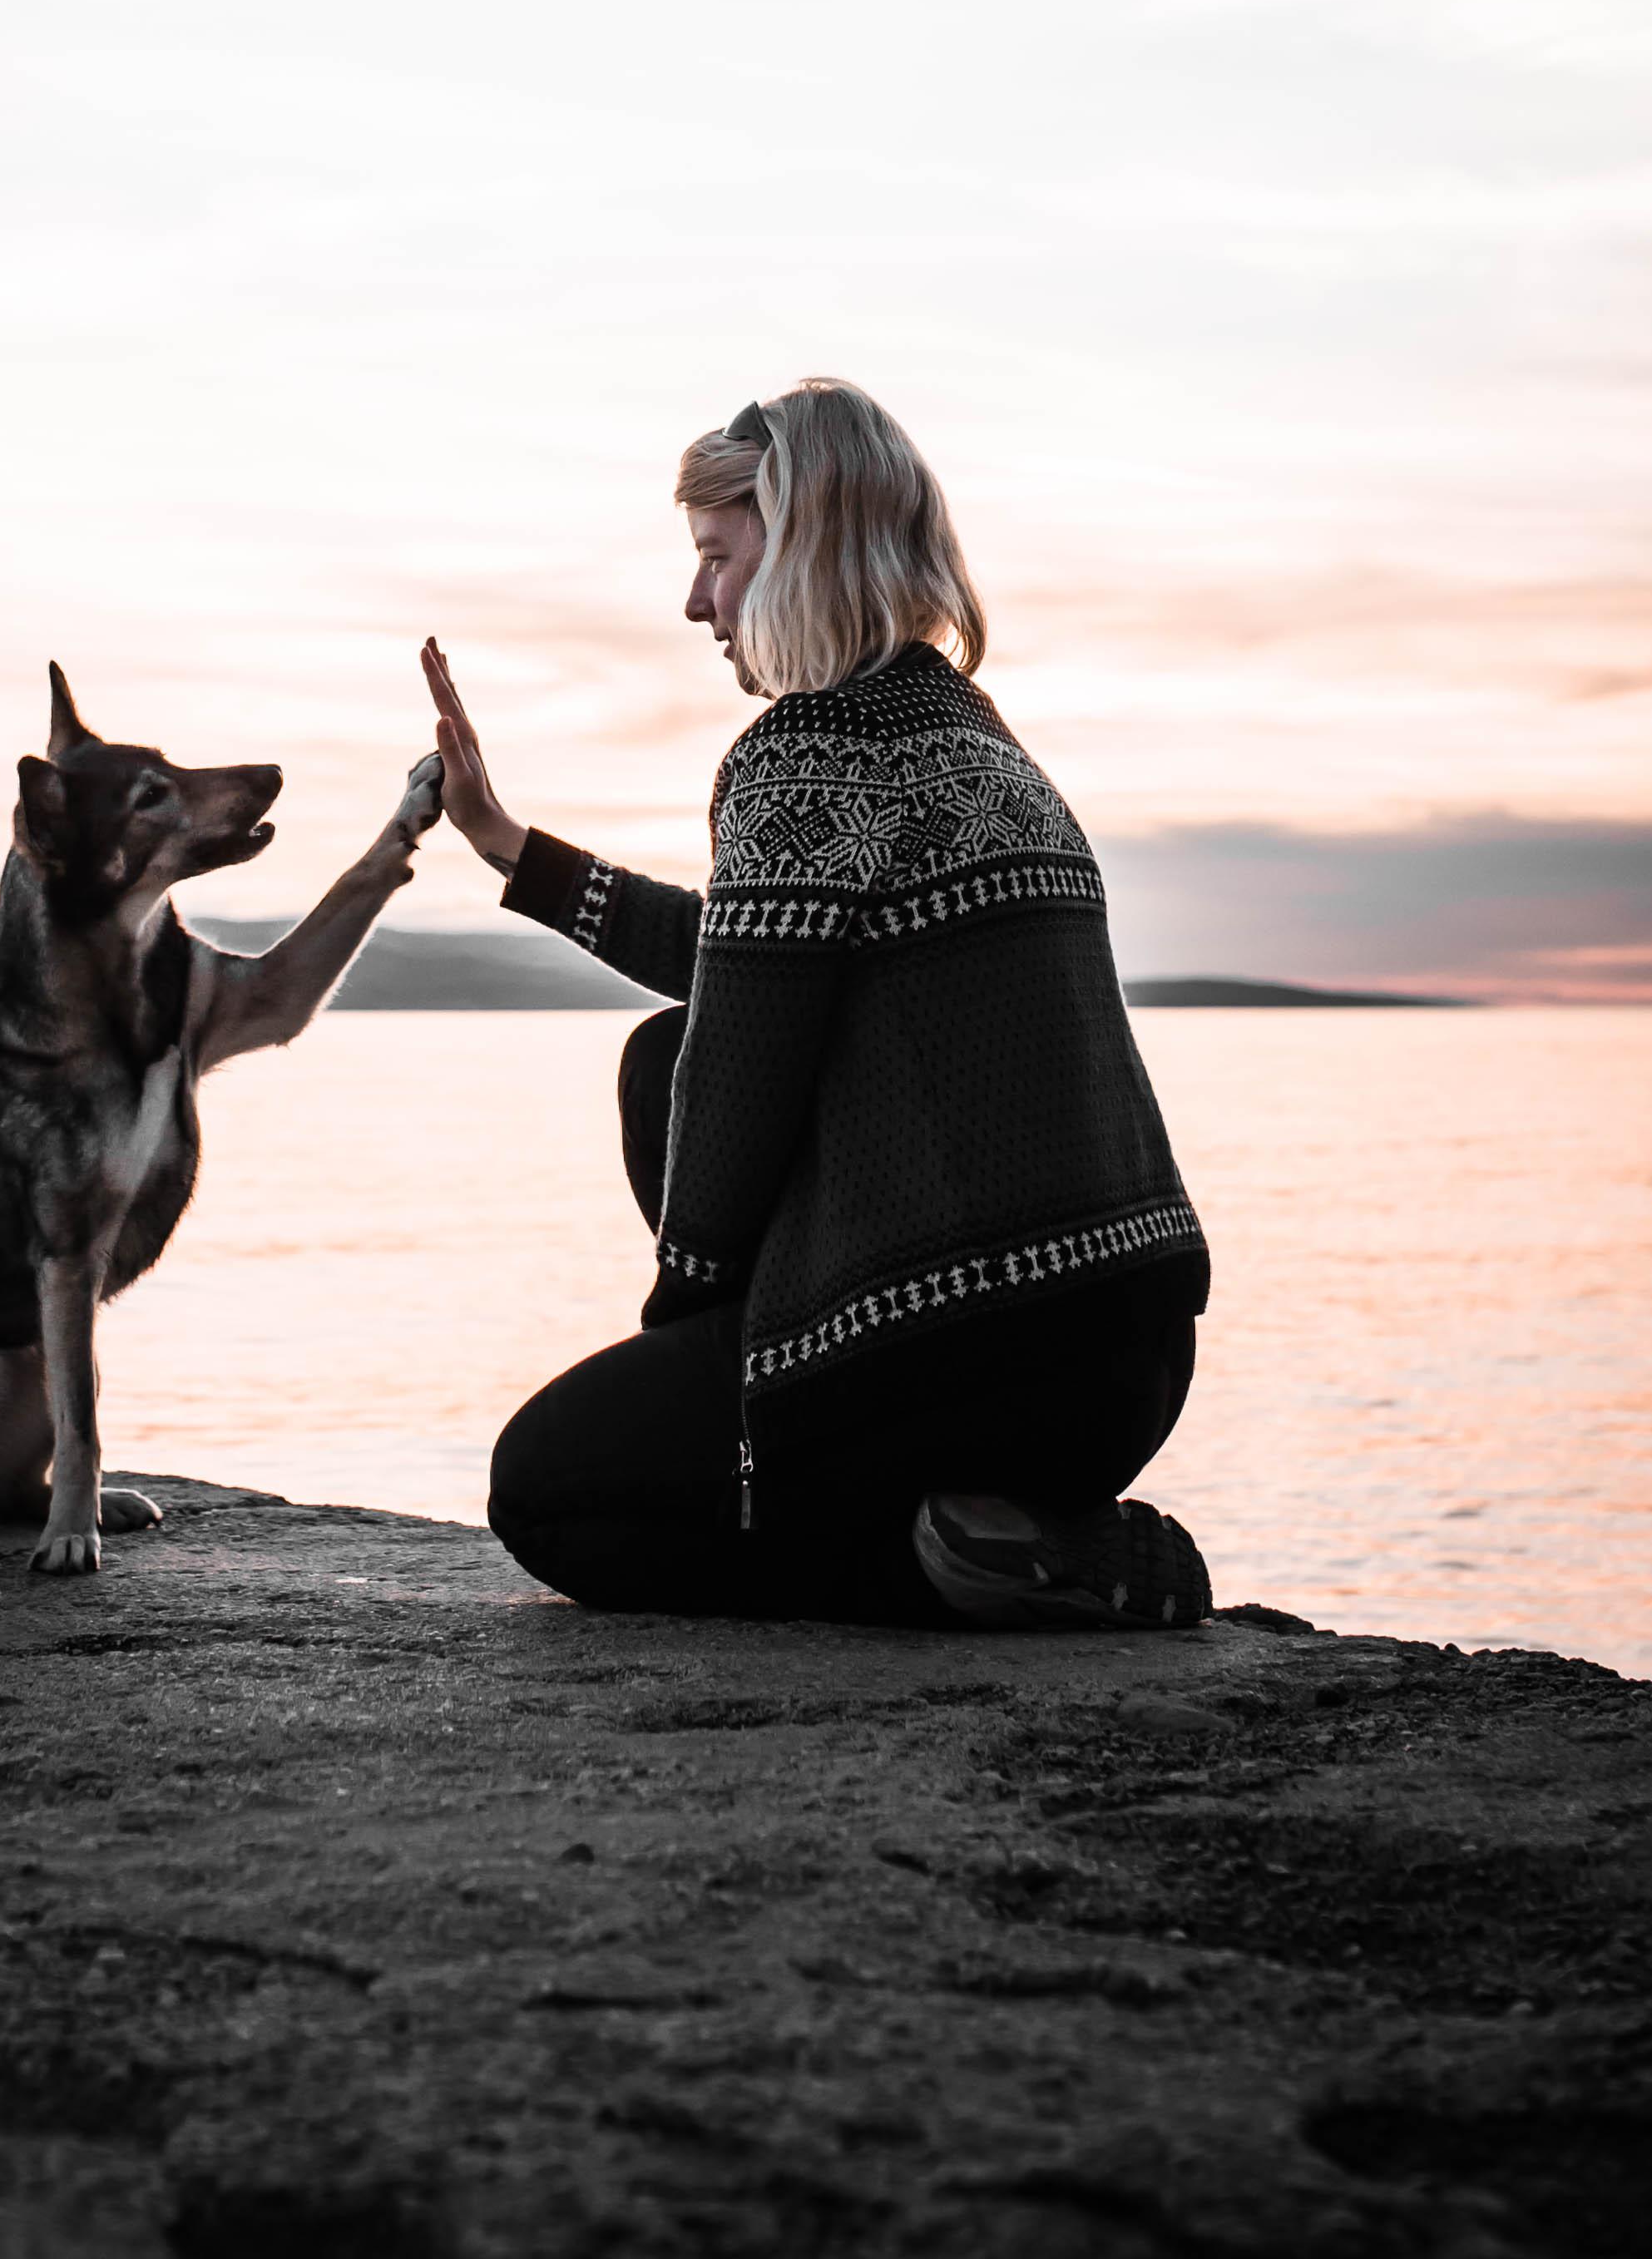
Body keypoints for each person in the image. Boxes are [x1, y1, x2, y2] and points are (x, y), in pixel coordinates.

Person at [420, 377, 1213, 1630]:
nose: (695, 601)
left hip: (966, 1356)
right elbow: (748, 959)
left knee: (550, 1492)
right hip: (1125, 1361)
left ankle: (951, 1565)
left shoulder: (802, 753)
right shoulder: (980, 739)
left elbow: (734, 1092)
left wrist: (694, 1361)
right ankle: (1032, 1528)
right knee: (658, 1055)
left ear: (797, 553)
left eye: (716, 559)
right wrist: (510, 848)